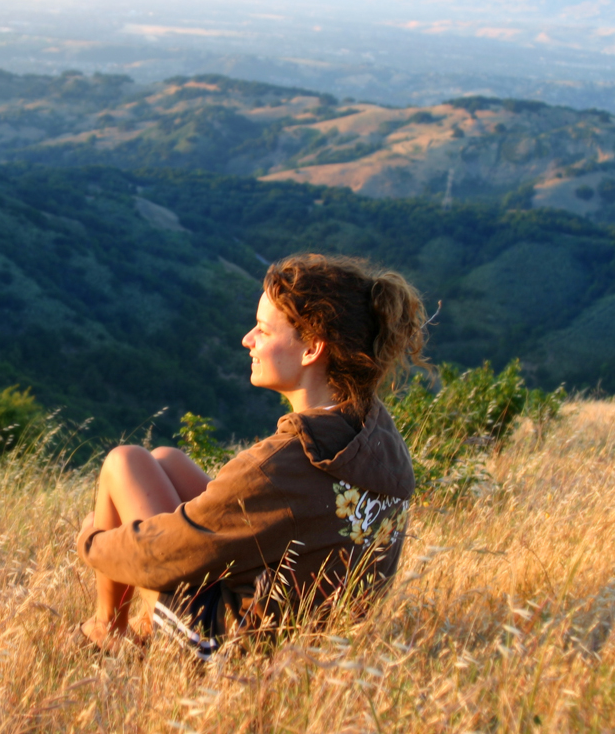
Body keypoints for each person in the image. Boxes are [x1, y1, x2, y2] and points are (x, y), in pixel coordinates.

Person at [75, 253, 427, 657]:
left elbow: (164, 557)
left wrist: (94, 541)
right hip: (320, 634)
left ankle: (107, 631)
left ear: (312, 348)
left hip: (236, 646)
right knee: (167, 459)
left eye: (262, 329)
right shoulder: (378, 436)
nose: (248, 339)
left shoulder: (281, 466)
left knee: (125, 462)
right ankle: (134, 627)